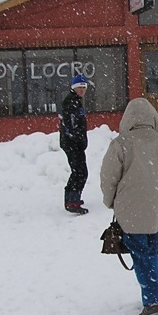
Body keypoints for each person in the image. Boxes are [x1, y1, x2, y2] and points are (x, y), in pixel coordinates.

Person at [100, 98, 158, 315]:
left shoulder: (121, 144)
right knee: (156, 246)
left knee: (141, 251)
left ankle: (152, 301)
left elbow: (108, 177)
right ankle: (156, 293)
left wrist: (110, 201)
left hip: (131, 205)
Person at [59, 74, 90, 215]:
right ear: (74, 88)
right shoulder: (71, 102)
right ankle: (72, 201)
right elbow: (71, 126)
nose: (82, 90)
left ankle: (73, 198)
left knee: (80, 171)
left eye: (84, 87)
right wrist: (78, 139)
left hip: (74, 143)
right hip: (72, 144)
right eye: (79, 87)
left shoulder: (76, 101)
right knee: (80, 172)